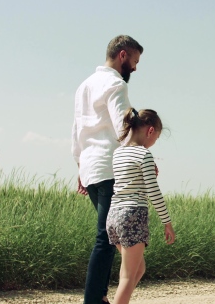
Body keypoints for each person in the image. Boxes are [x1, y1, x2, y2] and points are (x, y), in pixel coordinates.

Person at [72, 35, 143, 304]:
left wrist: (80, 166)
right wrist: (141, 155)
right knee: (106, 238)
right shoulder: (115, 84)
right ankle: (93, 300)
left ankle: (100, 298)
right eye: (134, 61)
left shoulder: (84, 86)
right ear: (122, 55)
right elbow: (123, 126)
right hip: (111, 168)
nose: (135, 68)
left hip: (91, 169)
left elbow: (76, 131)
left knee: (111, 237)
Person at [106, 107, 175, 304]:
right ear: (150, 131)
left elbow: (128, 180)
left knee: (138, 268)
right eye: (157, 138)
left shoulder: (118, 153)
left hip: (114, 217)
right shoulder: (143, 155)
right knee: (127, 278)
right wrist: (167, 222)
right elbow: (153, 192)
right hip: (132, 215)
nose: (154, 143)